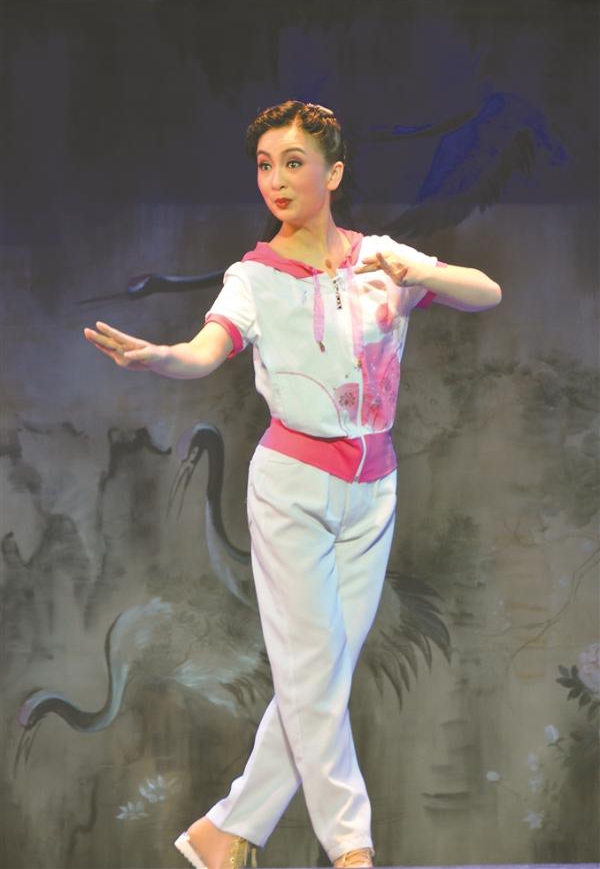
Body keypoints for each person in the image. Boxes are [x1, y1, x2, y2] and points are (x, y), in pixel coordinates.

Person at [84, 100, 502, 869]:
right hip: (293, 488)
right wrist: (162, 358)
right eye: (264, 165)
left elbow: (486, 292)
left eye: (293, 163)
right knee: (313, 672)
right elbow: (207, 349)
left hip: (374, 490)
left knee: (323, 677)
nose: (275, 179)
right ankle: (352, 850)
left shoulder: (382, 258)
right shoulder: (253, 277)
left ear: (333, 173)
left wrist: (424, 272)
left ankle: (224, 833)